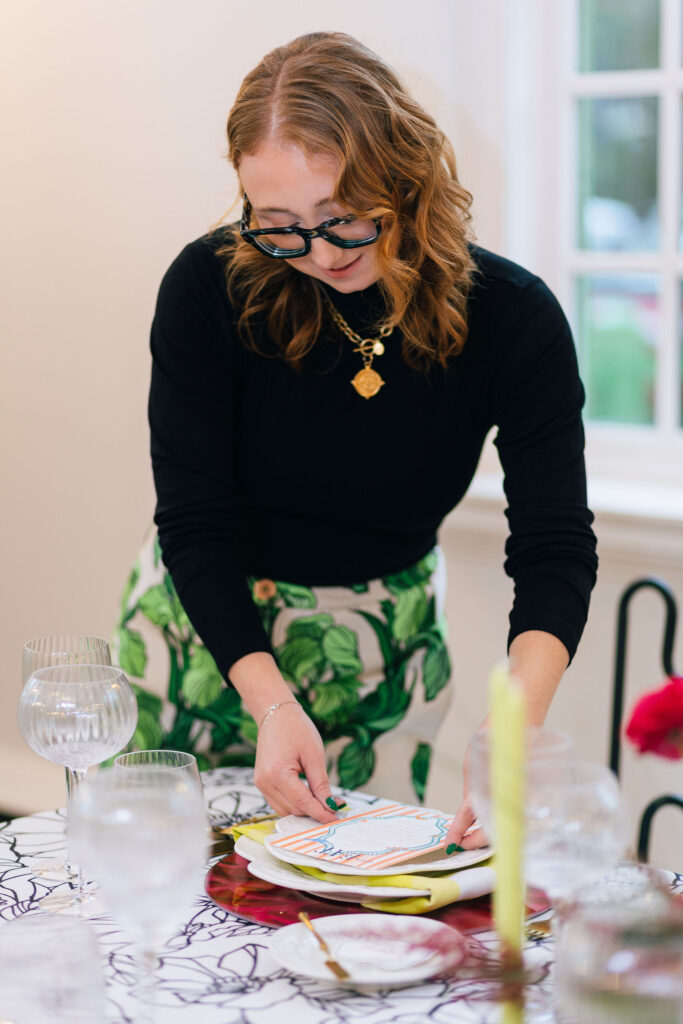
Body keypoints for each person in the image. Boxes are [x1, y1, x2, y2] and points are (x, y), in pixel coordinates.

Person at [137, 31, 597, 848]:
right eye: (278, 226)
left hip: (384, 648)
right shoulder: (208, 289)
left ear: (404, 177)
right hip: (205, 633)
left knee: (355, 901)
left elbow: (553, 545)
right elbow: (194, 521)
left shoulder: (512, 319)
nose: (317, 254)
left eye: (343, 219)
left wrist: (514, 724)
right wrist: (271, 704)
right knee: (158, 887)